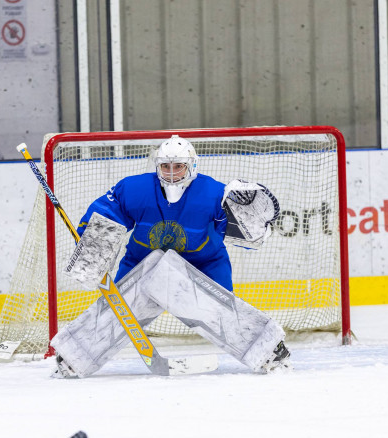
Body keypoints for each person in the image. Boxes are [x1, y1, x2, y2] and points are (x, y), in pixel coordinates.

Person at [51, 135, 291, 378]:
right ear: (157, 167)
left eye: (178, 166)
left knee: (221, 313)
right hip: (141, 263)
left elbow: (242, 236)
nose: (172, 173)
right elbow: (108, 212)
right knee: (118, 310)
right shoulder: (135, 189)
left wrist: (252, 225)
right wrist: (92, 244)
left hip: (203, 265)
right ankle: (73, 357)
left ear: (192, 166)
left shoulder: (213, 194)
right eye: (166, 166)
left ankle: (270, 351)